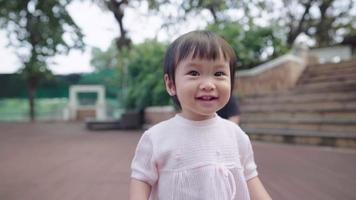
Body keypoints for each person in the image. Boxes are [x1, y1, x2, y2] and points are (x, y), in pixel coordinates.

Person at [129, 30, 271, 200]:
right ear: (171, 84)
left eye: (219, 74)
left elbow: (250, 177)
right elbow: (141, 180)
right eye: (194, 73)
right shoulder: (156, 137)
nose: (208, 84)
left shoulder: (235, 134)